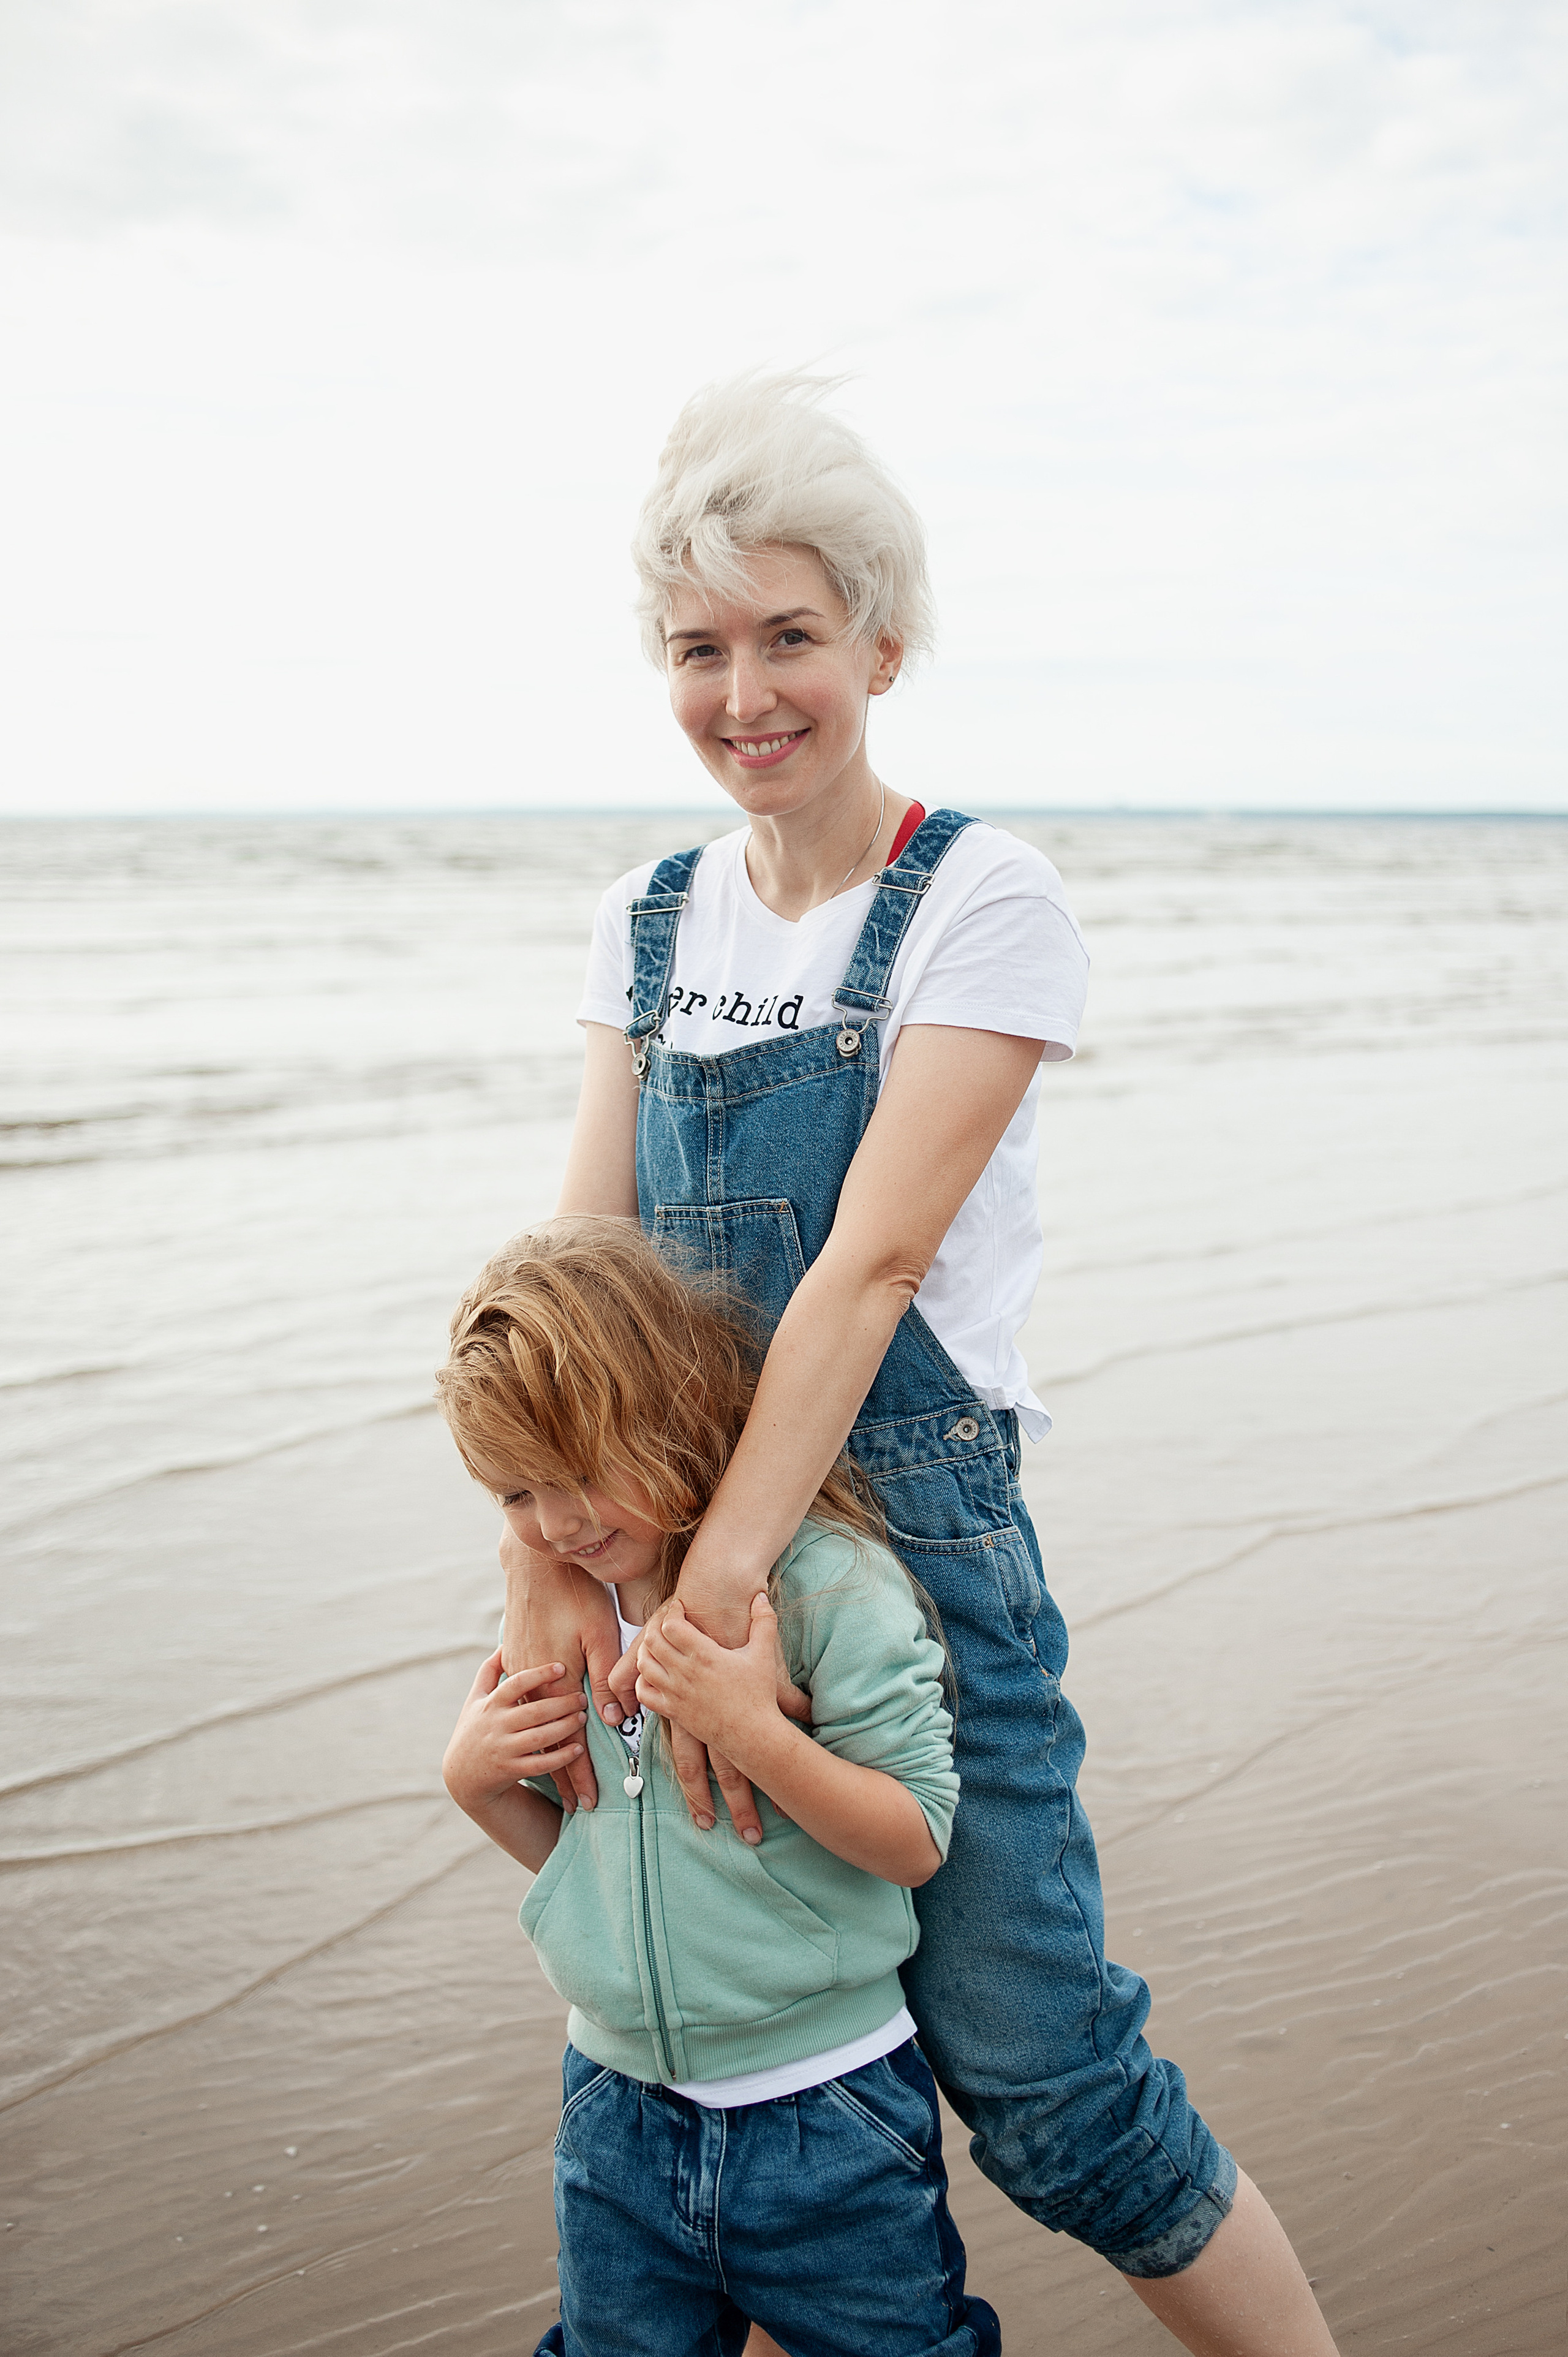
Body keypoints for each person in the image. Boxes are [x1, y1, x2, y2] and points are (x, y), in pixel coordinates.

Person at [502, 374, 1340, 2356]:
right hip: (675, 1563)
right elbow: (585, 1271)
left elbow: (869, 1266)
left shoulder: (983, 898)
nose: (745, 690)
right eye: (700, 647)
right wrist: (545, 1563)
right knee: (775, 2066)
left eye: (791, 633)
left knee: (1056, 2098)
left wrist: (722, 1595)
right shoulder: (647, 915)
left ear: (882, 639)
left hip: (912, 1564)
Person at [439, 1218, 1001, 2357]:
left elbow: (915, 1840)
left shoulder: (824, 1589)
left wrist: (760, 1735)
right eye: (514, 1495)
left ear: (673, 1408)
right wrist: (475, 1781)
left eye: (581, 1471)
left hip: (828, 2114)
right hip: (613, 2115)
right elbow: (583, 1853)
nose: (555, 1526)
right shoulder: (572, 1612)